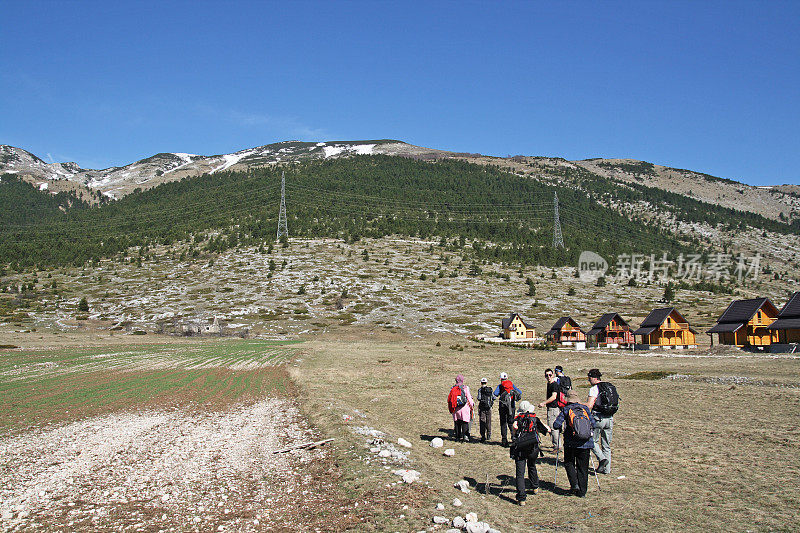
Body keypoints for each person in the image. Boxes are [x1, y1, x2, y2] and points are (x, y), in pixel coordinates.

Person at [552, 390, 595, 497]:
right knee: (583, 467)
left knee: (569, 463)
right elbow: (593, 423)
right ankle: (582, 491)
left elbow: (556, 425)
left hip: (571, 442)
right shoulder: (585, 409)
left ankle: (574, 485)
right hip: (586, 442)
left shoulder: (566, 409)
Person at [510, 400, 551, 505]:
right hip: (533, 448)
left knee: (520, 473)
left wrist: (515, 435)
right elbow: (547, 430)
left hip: (520, 449)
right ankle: (535, 486)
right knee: (532, 466)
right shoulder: (535, 419)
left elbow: (514, 427)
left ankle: (522, 498)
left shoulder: (518, 419)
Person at [586, 368, 618, 474]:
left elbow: (590, 405)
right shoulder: (609, 386)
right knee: (606, 444)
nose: (588, 380)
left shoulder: (594, 388)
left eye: (589, 378)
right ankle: (607, 470)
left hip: (598, 418)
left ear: (595, 378)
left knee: (592, 441)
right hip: (610, 418)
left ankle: (602, 459)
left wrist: (578, 404)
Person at [493, 372, 522, 447]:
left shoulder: (500, 386)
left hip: (502, 407)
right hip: (511, 406)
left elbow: (495, 394)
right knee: (511, 422)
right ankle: (514, 438)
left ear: (500, 379)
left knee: (503, 423)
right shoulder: (511, 385)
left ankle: (504, 440)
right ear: (507, 378)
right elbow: (519, 392)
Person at [537, 368, 561, 451]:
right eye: (547, 375)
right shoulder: (549, 384)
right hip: (551, 408)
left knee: (553, 427)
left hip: (553, 409)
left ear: (553, 375)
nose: (548, 377)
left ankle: (557, 446)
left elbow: (554, 397)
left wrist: (544, 403)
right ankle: (557, 445)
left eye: (550, 375)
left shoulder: (554, 385)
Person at [450, 374, 474, 442]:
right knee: (464, 422)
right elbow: (469, 397)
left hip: (455, 408)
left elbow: (450, 399)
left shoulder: (452, 388)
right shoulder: (465, 388)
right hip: (464, 408)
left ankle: (457, 437)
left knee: (457, 423)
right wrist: (472, 405)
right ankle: (465, 437)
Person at [476, 377, 494, 442]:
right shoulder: (490, 389)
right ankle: (489, 435)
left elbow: (479, 398)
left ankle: (483, 436)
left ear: (481, 383)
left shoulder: (480, 390)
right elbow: (493, 397)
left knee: (482, 421)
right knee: (488, 421)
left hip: (482, 408)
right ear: (486, 383)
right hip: (489, 407)